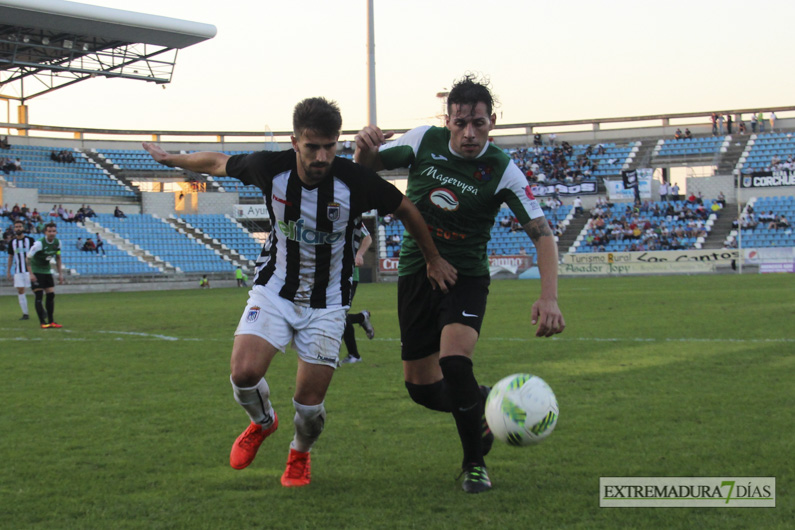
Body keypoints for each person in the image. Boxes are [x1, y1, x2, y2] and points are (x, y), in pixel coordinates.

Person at [142, 97, 456, 488]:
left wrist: (432, 258)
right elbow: (216, 162)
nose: (322, 156)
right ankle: (262, 422)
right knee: (243, 373)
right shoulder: (268, 169)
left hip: (328, 301)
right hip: (275, 287)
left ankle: (299, 454)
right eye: (312, 147)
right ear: (295, 142)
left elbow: (407, 208)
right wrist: (173, 160)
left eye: (330, 145)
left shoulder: (354, 182)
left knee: (308, 407)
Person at [354, 74, 565, 493]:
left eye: (479, 124)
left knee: (454, 362)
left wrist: (549, 297)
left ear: (492, 123)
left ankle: (474, 464)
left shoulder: (503, 170)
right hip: (416, 273)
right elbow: (365, 172)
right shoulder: (421, 142)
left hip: (466, 277)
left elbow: (542, 234)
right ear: (447, 120)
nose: (470, 133)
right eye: (461, 123)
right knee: (422, 390)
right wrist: (363, 147)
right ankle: (484, 403)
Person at [340, 224, 375, 365]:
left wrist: (359, 254)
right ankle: (361, 317)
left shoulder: (351, 213)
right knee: (333, 313)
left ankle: (354, 355)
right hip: (330, 275)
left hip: (349, 275)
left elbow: (367, 237)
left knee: (340, 313)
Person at [26, 222, 64, 329]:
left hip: (47, 271)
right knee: (39, 296)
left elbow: (58, 258)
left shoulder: (57, 243)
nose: (52, 233)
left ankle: (51, 321)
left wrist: (60, 274)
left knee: (51, 295)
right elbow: (28, 258)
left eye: (53, 231)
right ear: (45, 232)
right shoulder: (39, 244)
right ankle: (43, 322)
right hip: (36, 271)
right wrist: (31, 273)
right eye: (49, 231)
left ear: (56, 232)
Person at [7, 220, 35, 320]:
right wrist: (8, 271)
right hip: (18, 270)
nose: (18, 228)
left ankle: (42, 310)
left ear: (23, 228)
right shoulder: (12, 242)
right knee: (20, 290)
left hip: (30, 270)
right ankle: (25, 313)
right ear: (14, 229)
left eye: (20, 226)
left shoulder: (30, 240)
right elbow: (10, 257)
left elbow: (35, 254)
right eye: (16, 227)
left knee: (36, 290)